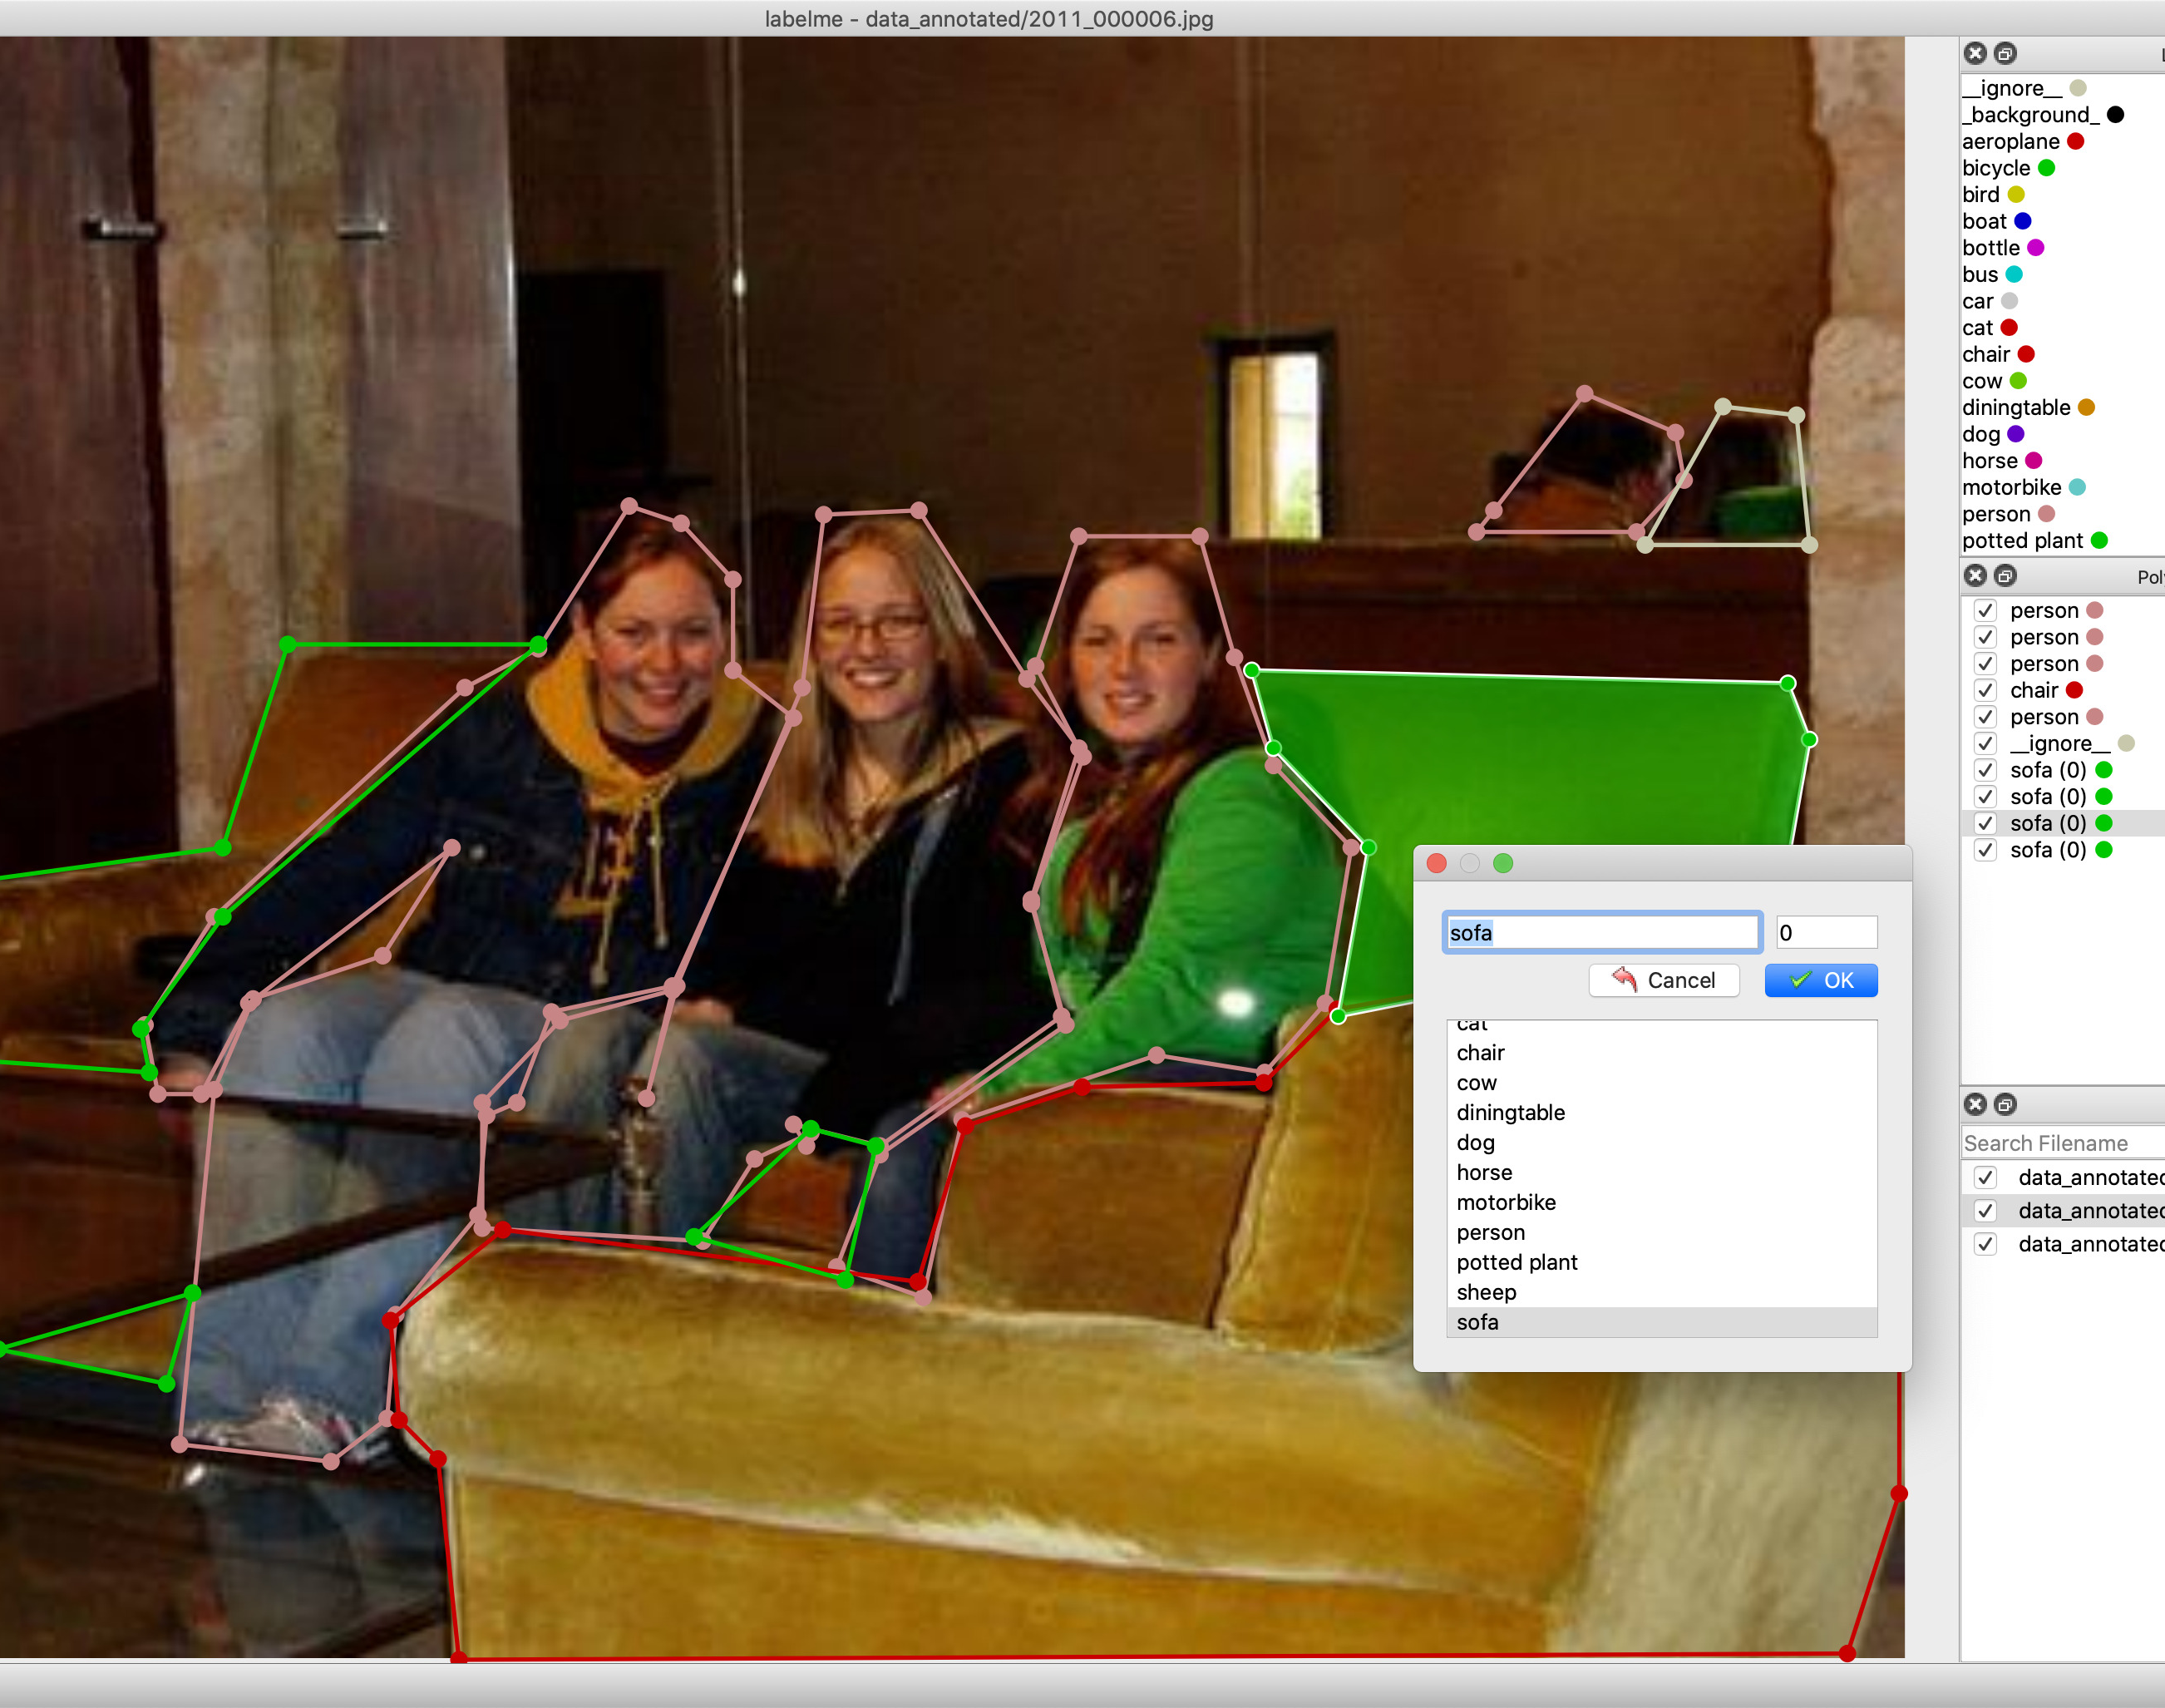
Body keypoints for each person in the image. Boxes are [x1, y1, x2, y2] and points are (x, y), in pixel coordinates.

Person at [154, 514, 771, 1454]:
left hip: (585, 1022)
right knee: (286, 1026)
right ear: (585, 633)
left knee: (441, 1032)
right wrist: (199, 1022)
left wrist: (734, 996)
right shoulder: (501, 728)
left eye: (694, 632)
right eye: (634, 631)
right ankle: (219, 1397)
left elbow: (804, 913)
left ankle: (339, 1395)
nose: (665, 662)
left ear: (728, 637)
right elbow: (341, 863)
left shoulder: (760, 757)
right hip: (445, 977)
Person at [851, 537, 1341, 1282]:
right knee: (899, 1109)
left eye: (1159, 640)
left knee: (912, 1140)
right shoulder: (1103, 798)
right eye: (1098, 641)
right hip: (1145, 1070)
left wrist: (1007, 1084)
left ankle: (890, 1346)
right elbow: (1075, 989)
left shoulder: (1245, 791)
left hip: (1234, 1086)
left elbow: (1171, 989)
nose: (1124, 668)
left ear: (1211, 657)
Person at [653, 516, 1050, 1266]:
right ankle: (607, 1301)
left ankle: (661, 1299)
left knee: (690, 1059)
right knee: (642, 1053)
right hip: (800, 1068)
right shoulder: (788, 779)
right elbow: (726, 960)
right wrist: (722, 1006)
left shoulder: (1009, 781)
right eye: (840, 623)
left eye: (897, 620)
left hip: (903, 1079)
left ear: (941, 636)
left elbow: (969, 995)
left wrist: (747, 1016)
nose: (866, 648)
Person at [1491, 402, 1678, 533]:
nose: (1669, 492)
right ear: (1636, 482)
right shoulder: (1623, 558)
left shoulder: (1505, 528)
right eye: (1666, 478)